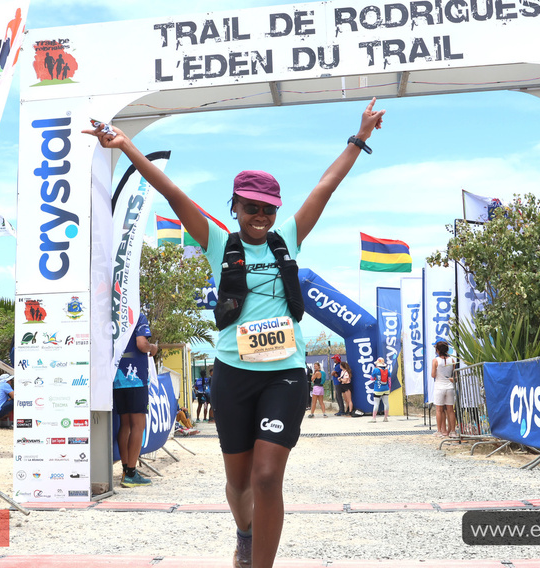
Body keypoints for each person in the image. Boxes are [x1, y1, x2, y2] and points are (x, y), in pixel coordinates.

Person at [84, 97, 384, 568]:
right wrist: (125, 147)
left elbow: (325, 188)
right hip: (232, 374)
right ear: (236, 206)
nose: (260, 216)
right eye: (251, 208)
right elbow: (172, 193)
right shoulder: (219, 243)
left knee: (267, 478)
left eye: (268, 208)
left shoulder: (288, 237)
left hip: (284, 374)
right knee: (239, 482)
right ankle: (244, 532)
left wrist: (359, 138)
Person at [114, 312, 159, 488]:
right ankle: (131, 474)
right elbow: (141, 344)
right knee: (138, 426)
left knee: (125, 424)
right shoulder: (137, 316)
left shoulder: (113, 314)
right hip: (135, 378)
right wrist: (152, 347)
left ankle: (126, 469)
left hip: (117, 377)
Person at [431, 340, 457, 438]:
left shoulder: (435, 361)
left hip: (439, 386)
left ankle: (440, 431)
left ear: (437, 350)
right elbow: (455, 376)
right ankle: (453, 431)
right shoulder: (452, 360)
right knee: (450, 410)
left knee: (439, 410)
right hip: (450, 386)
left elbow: (433, 375)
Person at [370, 357, 390, 423]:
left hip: (378, 389)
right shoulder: (387, 370)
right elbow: (389, 380)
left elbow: (371, 378)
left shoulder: (376, 370)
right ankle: (385, 418)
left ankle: (374, 418)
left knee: (376, 404)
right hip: (386, 389)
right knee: (386, 403)